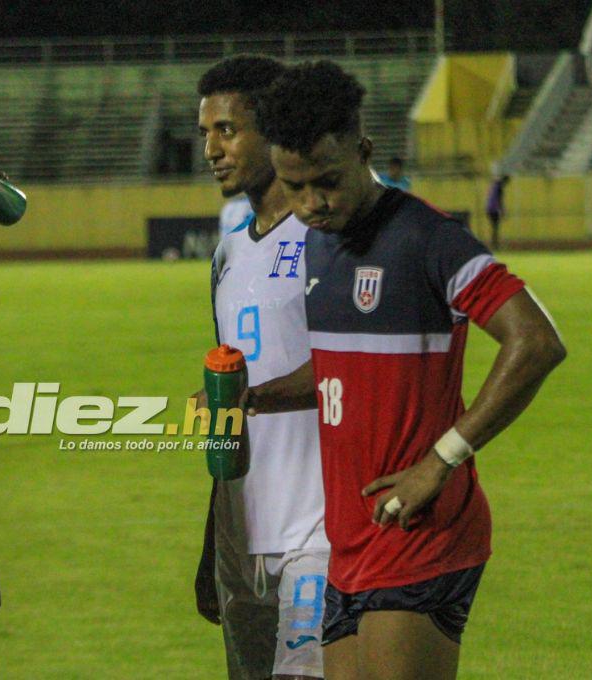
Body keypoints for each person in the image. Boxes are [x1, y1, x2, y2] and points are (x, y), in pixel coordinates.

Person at [251, 61, 565, 680]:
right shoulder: (319, 239)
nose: (312, 203)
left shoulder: (428, 238)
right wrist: (256, 396)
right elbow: (342, 370)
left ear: (364, 149)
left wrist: (439, 461)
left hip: (421, 535)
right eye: (294, 186)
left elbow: (535, 342)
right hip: (349, 542)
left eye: (328, 181)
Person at [196, 55, 328, 680]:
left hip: (318, 529)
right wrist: (212, 536)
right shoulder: (227, 253)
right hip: (243, 531)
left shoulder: (324, 237)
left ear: (273, 129)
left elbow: (350, 370)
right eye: (204, 134)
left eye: (226, 130)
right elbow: (227, 405)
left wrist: (257, 398)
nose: (211, 149)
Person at [485, 174, 510, 250]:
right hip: (494, 210)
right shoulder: (499, 187)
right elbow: (499, 201)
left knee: (494, 228)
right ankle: (495, 245)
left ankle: (494, 244)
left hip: (489, 209)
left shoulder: (494, 185)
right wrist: (502, 211)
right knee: (495, 228)